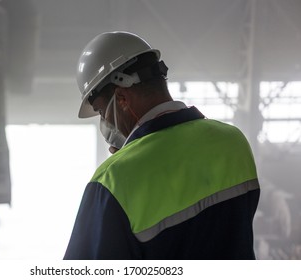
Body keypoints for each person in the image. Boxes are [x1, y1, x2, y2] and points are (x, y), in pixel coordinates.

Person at [64, 31, 260, 259]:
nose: (104, 122)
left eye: (100, 111)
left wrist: (125, 164)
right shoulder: (233, 141)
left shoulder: (112, 181)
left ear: (122, 99)